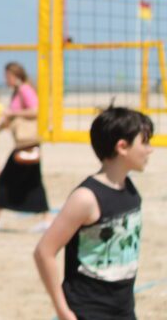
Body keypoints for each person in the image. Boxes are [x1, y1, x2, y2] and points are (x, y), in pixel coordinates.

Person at [34, 107, 153, 320]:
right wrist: (63, 311)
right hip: (88, 311)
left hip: (124, 310)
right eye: (144, 142)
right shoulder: (86, 198)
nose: (150, 150)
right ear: (122, 147)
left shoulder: (129, 188)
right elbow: (44, 252)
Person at [0, 62, 51, 235]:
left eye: (7, 76)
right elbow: (7, 122)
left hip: (27, 142)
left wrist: (13, 113)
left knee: (5, 179)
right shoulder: (18, 92)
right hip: (24, 143)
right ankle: (46, 220)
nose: (5, 80)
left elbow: (36, 111)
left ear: (15, 76)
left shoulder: (24, 89)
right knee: (34, 183)